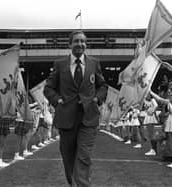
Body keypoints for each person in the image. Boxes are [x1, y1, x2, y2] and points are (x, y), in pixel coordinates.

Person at [44, 30, 108, 186]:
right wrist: (57, 100)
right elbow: (48, 88)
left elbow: (103, 87)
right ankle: (73, 183)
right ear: (70, 44)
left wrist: (95, 99)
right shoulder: (59, 64)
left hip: (89, 118)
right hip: (66, 118)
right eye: (77, 41)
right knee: (68, 157)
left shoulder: (94, 63)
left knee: (84, 156)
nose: (80, 44)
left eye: (83, 41)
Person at [150, 83, 172, 168]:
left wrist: (169, 102)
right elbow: (159, 99)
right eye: (169, 93)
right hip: (170, 122)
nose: (170, 94)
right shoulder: (171, 101)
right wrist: (150, 91)